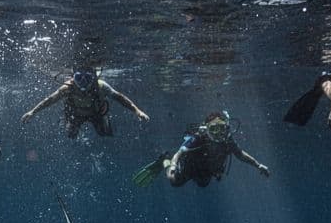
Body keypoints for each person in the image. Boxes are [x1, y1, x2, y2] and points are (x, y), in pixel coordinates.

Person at [133, 111, 269, 188]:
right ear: (207, 129)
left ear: (226, 128)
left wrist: (258, 165)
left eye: (221, 128)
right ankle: (164, 161)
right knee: (174, 181)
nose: (218, 133)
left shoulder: (227, 140)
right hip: (189, 167)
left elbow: (240, 154)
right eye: (213, 129)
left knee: (203, 184)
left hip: (207, 171)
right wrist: (173, 165)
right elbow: (179, 153)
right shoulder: (199, 138)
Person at [20, 66, 149, 138]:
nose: (83, 82)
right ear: (73, 78)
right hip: (76, 114)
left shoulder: (101, 86)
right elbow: (50, 100)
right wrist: (33, 111)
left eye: (87, 78)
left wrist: (137, 111)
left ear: (92, 78)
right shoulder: (67, 88)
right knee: (71, 135)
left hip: (96, 113)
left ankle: (106, 121)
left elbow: (120, 98)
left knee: (105, 134)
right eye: (78, 78)